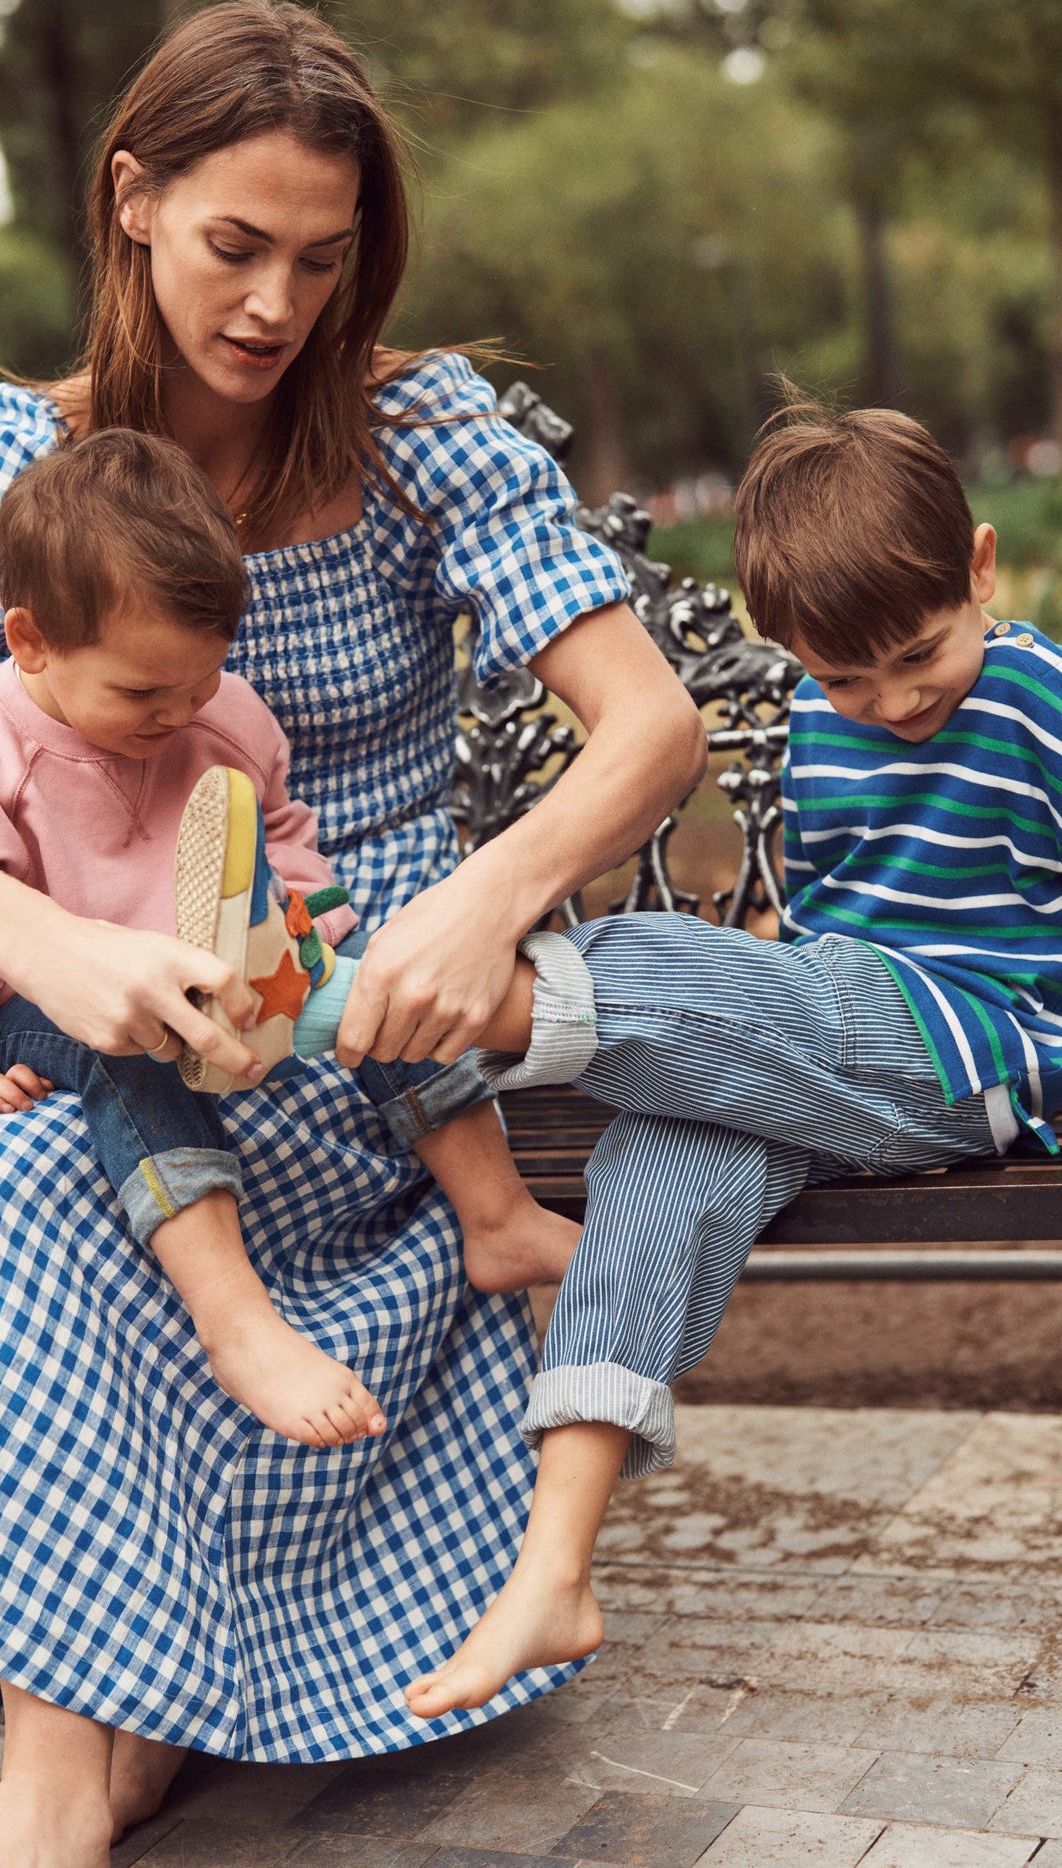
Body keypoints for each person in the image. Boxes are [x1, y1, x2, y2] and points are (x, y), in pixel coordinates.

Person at [0, 6, 705, 1862]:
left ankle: (85, 1768)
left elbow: (656, 728)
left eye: (323, 256)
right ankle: (72, 1772)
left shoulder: (421, 429)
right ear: (133, 199)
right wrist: (54, 954)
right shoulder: (25, 464)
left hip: (353, 1030)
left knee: (78, 1186)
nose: (277, 303)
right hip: (104, 1015)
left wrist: (479, 892)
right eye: (234, 244)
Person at [404, 391, 1054, 1720]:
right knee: (664, 1164)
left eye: (917, 656)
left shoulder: (1043, 705)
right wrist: (762, 1026)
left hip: (975, 1051)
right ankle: (554, 1568)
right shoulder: (822, 725)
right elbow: (818, 920)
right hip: (833, 1043)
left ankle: (413, 1007)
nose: (886, 702)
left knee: (662, 965)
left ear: (978, 568)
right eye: (839, 679)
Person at [0, 426, 585, 1451]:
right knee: (131, 1055)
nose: (177, 712)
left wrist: (309, 950)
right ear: (30, 643)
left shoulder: (225, 716)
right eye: (140, 692)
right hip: (49, 1010)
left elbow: (282, 849)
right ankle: (235, 1321)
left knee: (375, 989)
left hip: (226, 982)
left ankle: (495, 1213)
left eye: (197, 680)